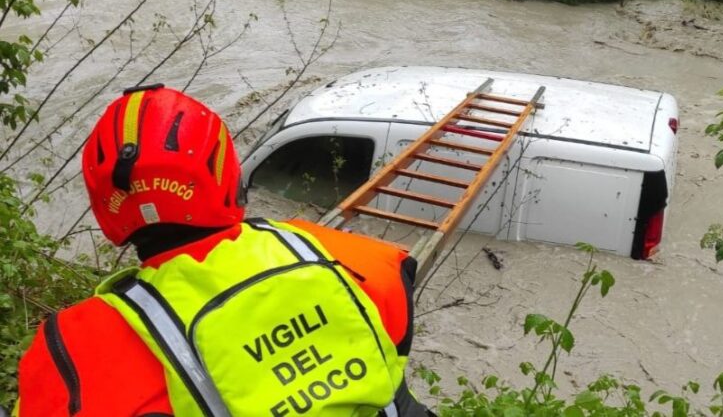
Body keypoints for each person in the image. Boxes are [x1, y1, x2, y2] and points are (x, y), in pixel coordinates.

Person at [14, 85, 433, 417]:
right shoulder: (344, 254)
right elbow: (398, 305)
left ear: (104, 206)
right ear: (227, 177)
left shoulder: (73, 344)